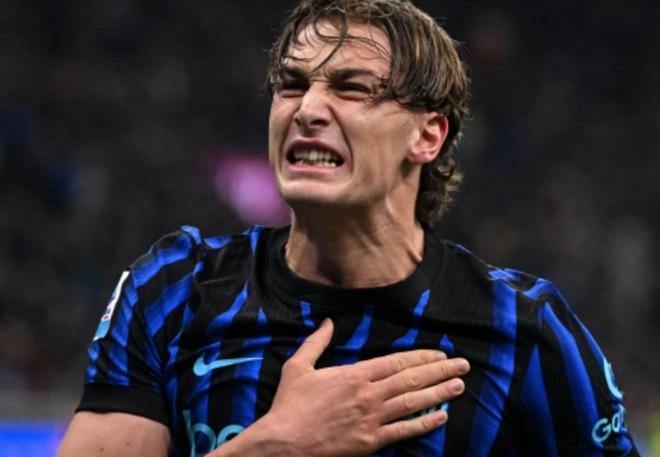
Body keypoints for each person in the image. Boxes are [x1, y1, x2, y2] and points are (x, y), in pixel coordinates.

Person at [58, 1, 638, 456]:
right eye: (291, 85)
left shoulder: (525, 330)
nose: (307, 109)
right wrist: (274, 447)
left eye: (352, 87)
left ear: (428, 135)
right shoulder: (174, 290)